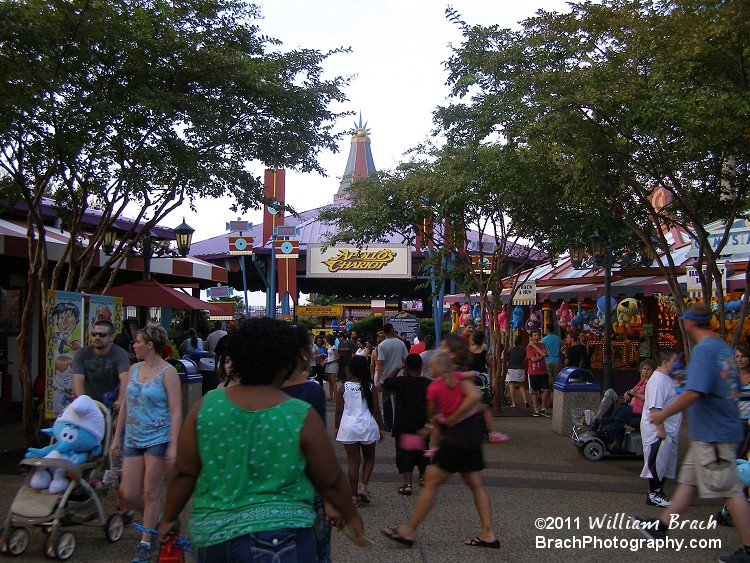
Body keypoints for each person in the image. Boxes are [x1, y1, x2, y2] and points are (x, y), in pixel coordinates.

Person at [156, 318, 367, 562]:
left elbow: (184, 473)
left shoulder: (207, 407)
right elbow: (331, 480)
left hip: (215, 537)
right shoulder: (298, 414)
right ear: (283, 364)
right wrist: (351, 515)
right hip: (286, 535)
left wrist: (170, 517)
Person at [634, 303, 750, 563]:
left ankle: (749, 549)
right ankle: (661, 528)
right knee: (688, 484)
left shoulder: (705, 351)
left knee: (730, 488)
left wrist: (663, 414)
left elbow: (694, 392)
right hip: (713, 430)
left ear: (689, 322)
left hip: (714, 433)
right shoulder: (720, 347)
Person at [382, 345, 500, 550]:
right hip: (471, 437)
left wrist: (446, 421)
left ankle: (408, 530)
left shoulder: (436, 387)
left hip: (453, 441)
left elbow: (434, 418)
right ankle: (488, 532)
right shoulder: (461, 377)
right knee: (476, 484)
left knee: (431, 484)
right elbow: (474, 398)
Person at [111, 323, 182, 563]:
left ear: (150, 345)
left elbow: (175, 410)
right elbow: (125, 404)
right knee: (127, 492)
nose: (134, 345)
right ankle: (157, 518)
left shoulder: (168, 372)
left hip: (157, 438)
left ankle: (145, 541)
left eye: (138, 342)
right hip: (132, 436)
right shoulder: (133, 369)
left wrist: (173, 444)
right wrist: (116, 437)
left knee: (151, 491)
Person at [282, 324, 331, 563]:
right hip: (305, 490)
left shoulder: (253, 390)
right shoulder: (310, 392)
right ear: (303, 353)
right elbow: (319, 453)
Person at [334, 355, 384, 507]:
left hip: (349, 427)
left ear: (350, 369)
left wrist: (336, 427)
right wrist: (381, 427)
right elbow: (376, 410)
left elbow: (338, 411)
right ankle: (363, 486)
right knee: (369, 457)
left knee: (353, 463)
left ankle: (353, 496)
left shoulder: (343, 387)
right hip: (368, 426)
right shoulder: (371, 388)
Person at [381, 353, 430, 495]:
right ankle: (423, 477)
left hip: (404, 425)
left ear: (406, 368)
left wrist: (397, 368)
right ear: (421, 368)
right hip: (421, 425)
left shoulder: (401, 382)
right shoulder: (427, 383)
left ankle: (407, 484)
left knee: (405, 454)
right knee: (422, 451)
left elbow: (387, 382)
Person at [639, 349, 681, 507]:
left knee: (664, 462)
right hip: (658, 431)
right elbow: (655, 408)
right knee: (656, 462)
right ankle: (653, 494)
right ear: (665, 362)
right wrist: (660, 430)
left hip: (668, 429)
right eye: (674, 360)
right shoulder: (658, 381)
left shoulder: (667, 378)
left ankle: (659, 491)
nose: (676, 363)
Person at [72, 319, 131, 408]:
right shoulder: (81, 353)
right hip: (88, 405)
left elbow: (125, 379)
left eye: (102, 335)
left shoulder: (120, 354)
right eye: (94, 334)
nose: (97, 337)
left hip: (112, 406)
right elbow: (78, 380)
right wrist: (82, 402)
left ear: (112, 337)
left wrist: (120, 401)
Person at [604, 358, 656, 449]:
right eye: (644, 369)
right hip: (634, 406)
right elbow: (634, 391)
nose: (646, 371)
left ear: (653, 371)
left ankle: (609, 436)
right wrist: (628, 394)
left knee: (623, 414)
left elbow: (649, 399)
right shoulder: (642, 381)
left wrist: (635, 394)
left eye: (648, 369)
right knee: (618, 410)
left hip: (643, 410)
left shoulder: (652, 383)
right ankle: (608, 430)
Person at [376, 323, 408, 432]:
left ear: (384, 332)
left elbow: (380, 363)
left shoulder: (382, 345)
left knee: (386, 401)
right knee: (398, 401)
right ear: (392, 330)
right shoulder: (401, 344)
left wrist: (377, 381)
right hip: (399, 376)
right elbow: (406, 360)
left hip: (386, 378)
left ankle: (388, 424)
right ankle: (399, 423)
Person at [526, 329, 551, 417]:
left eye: (538, 335)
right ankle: (536, 409)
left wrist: (535, 347)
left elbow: (544, 354)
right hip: (533, 371)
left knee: (546, 389)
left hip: (543, 371)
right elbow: (533, 359)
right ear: (531, 337)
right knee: (534, 391)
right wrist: (543, 355)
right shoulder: (529, 347)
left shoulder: (542, 345)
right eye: (535, 335)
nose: (537, 337)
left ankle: (543, 409)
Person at [506, 335, 529, 408]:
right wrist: (522, 359)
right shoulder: (523, 350)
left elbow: (504, 357)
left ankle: (514, 403)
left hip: (511, 369)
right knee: (521, 386)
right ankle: (525, 401)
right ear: (521, 342)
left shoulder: (509, 349)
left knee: (511, 386)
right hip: (520, 369)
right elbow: (528, 357)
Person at [735, 345, 750, 449]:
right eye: (737, 356)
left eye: (743, 356)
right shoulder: (731, 378)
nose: (739, 360)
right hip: (735, 423)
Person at [542, 324, 563, 391]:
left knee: (548, 381)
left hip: (547, 361)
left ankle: (548, 400)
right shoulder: (558, 339)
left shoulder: (543, 340)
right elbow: (561, 350)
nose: (544, 329)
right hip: (557, 360)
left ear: (547, 329)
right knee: (557, 380)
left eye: (545, 328)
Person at [323, 333, 339, 401]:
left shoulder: (334, 347)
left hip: (333, 365)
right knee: (329, 381)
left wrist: (330, 361)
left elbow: (337, 357)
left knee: (333, 381)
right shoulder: (330, 346)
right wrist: (326, 359)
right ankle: (331, 396)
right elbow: (330, 356)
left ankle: (335, 396)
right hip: (328, 364)